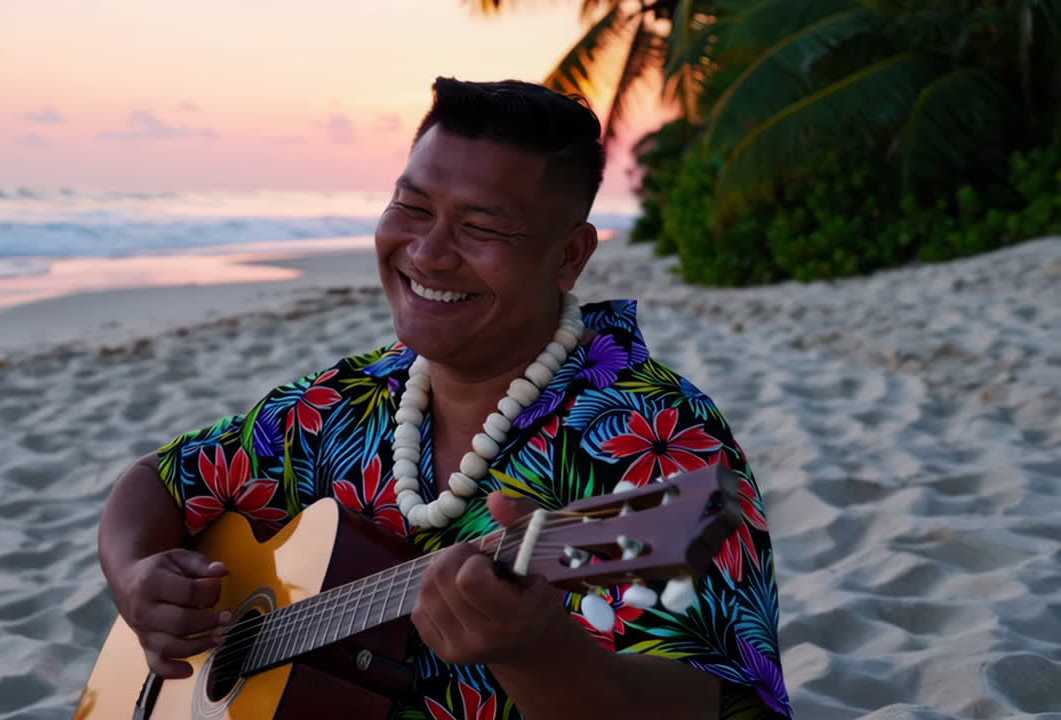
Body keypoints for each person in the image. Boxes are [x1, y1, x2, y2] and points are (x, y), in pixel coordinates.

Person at [98, 77, 791, 719]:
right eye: (411, 205)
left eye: (480, 228)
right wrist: (137, 578)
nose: (427, 252)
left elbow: (705, 705)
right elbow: (158, 481)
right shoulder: (346, 401)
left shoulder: (657, 436)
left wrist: (537, 653)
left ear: (570, 257)